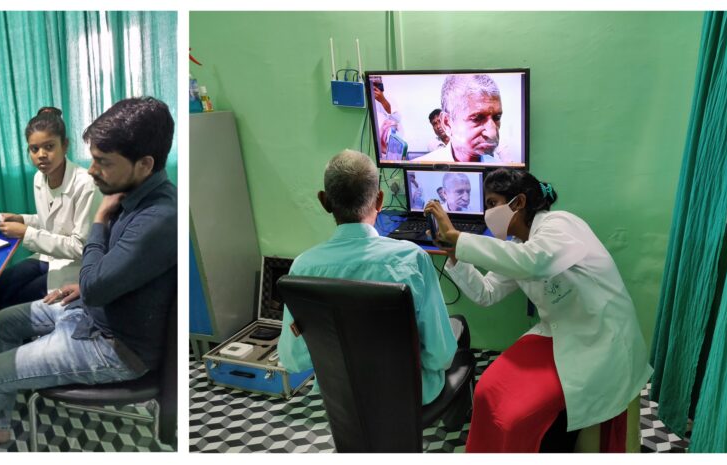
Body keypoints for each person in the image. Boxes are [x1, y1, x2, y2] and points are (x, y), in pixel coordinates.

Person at [0, 97, 177, 442]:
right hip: (92, 310)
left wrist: (98, 220)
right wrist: (84, 288)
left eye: (102, 162)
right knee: (4, 318)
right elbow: (119, 272)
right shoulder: (133, 194)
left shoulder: (155, 217)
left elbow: (94, 272)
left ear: (144, 164)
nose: (93, 170)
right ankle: (0, 419)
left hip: (113, 346)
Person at [423, 168, 651, 452]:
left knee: (517, 416)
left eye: (492, 203)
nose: (487, 213)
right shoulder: (519, 246)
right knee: (487, 390)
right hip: (558, 333)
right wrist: (456, 256)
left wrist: (460, 238)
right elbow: (487, 292)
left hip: (601, 337)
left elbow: (535, 262)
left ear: (517, 203)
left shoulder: (560, 225)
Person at [278, 150, 456, 406]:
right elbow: (440, 355)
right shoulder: (412, 258)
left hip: (342, 397)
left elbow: (293, 359)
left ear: (324, 201)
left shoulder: (303, 267)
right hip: (409, 394)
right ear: (380, 199)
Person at [0, 106, 99, 360]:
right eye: (34, 149)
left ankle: (12, 362)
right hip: (47, 257)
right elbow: (49, 222)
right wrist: (22, 219)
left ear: (65, 145)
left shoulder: (84, 184)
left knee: (11, 303)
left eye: (49, 147)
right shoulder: (39, 179)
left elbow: (81, 246)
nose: (41, 155)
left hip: (73, 267)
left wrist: (26, 233)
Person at [426, 74, 503, 163]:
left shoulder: (498, 168)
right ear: (447, 123)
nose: (492, 134)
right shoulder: (419, 171)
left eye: (497, 117)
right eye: (477, 118)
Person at [371, 79, 402, 160]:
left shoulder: (390, 99)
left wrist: (383, 101)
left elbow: (397, 119)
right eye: (373, 84)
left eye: (377, 84)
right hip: (372, 147)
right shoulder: (367, 102)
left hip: (389, 150)